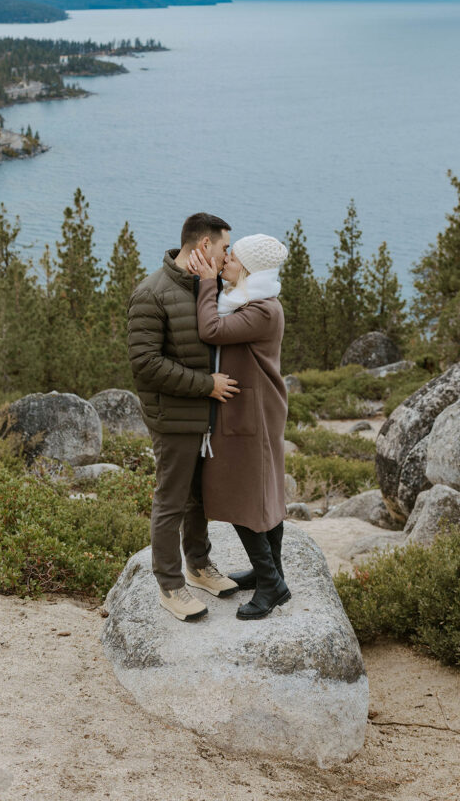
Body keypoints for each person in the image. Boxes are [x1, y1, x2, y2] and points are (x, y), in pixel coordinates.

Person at [127, 213, 241, 621]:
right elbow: (144, 364)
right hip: (173, 416)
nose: (229, 254)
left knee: (198, 499)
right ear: (204, 245)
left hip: (204, 416)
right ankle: (170, 586)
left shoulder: (205, 288)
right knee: (171, 501)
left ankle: (198, 566)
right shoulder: (152, 293)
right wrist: (204, 385)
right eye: (225, 246)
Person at [187, 233, 290, 620]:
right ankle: (271, 572)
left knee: (244, 496)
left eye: (232, 257)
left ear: (246, 269)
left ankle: (271, 585)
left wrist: (207, 283)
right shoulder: (250, 301)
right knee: (263, 495)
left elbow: (211, 330)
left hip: (253, 413)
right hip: (252, 409)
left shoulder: (262, 309)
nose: (225, 258)